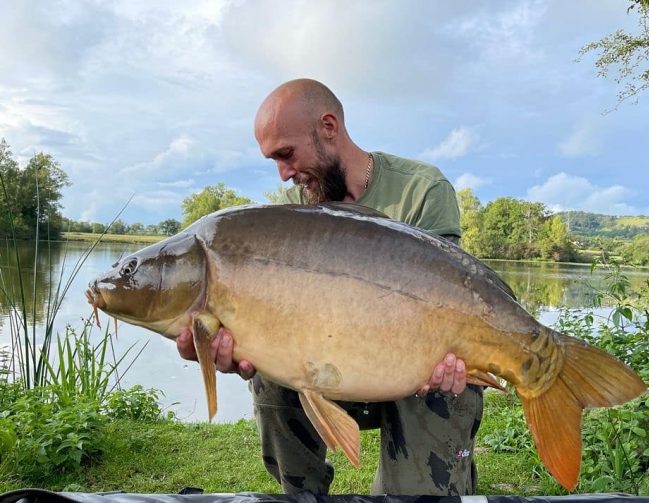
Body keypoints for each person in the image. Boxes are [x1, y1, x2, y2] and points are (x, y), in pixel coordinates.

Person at [176, 79, 482, 496]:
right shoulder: (305, 212)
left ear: (328, 127)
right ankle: (303, 494)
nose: (284, 174)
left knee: (439, 417)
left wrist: (445, 354)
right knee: (270, 374)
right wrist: (241, 343)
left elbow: (452, 294)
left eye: (286, 154)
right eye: (274, 161)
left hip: (422, 369)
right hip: (344, 369)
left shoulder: (422, 189)